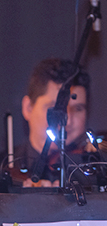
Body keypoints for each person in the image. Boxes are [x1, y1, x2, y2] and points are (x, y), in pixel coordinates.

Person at [14, 58, 101, 187]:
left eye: (78, 109)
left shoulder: (98, 172)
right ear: (28, 108)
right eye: (56, 108)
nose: (68, 121)